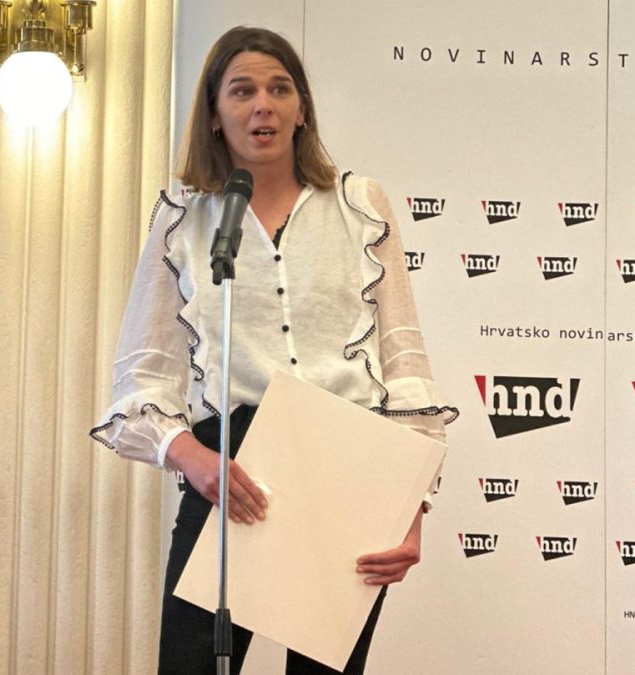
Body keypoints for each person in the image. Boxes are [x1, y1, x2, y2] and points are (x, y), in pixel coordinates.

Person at [91, 26, 456, 675]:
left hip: (347, 471)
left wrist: (408, 504)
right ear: (213, 113)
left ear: (302, 109)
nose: (263, 104)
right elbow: (142, 376)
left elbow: (403, 362)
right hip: (227, 470)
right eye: (242, 91)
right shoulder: (185, 218)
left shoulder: (360, 205)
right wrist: (192, 459)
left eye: (279, 89)